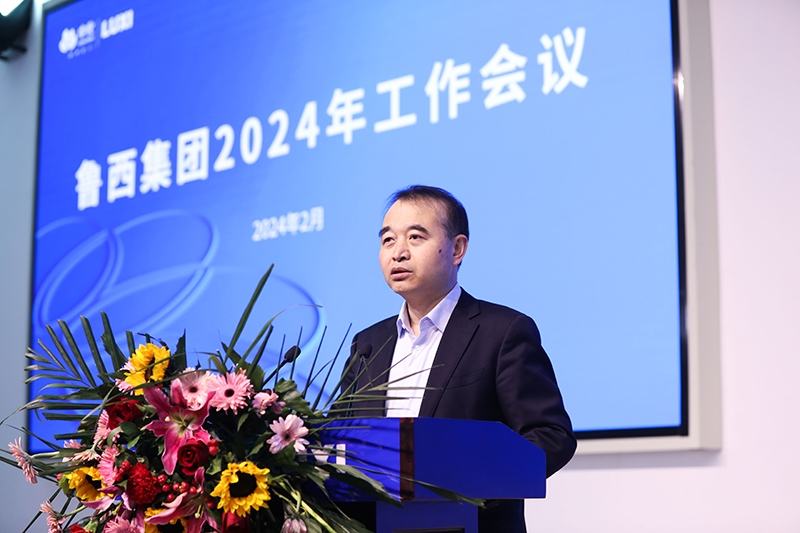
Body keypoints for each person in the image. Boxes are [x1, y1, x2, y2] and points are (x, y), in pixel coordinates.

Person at [343, 185, 575, 533]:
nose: (398, 252)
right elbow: (340, 442)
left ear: (457, 249)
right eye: (388, 240)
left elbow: (551, 436)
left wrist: (469, 486)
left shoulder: (502, 331)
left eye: (415, 237)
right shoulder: (368, 343)